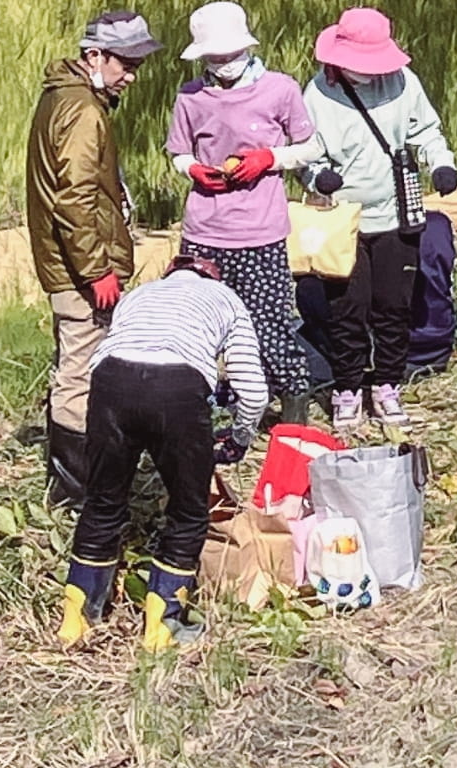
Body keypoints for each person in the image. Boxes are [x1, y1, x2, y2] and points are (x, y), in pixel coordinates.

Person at [59, 253, 266, 651]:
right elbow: (253, 392)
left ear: (170, 272)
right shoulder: (227, 300)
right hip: (177, 386)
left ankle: (77, 620)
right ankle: (162, 626)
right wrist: (238, 438)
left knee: (103, 502)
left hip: (110, 380)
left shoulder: (140, 294)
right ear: (213, 277)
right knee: (188, 510)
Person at [25, 10, 161, 509]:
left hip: (73, 264)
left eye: (137, 64)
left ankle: (79, 485)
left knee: (77, 366)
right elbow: (74, 196)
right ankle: (75, 495)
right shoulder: (82, 110)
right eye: (125, 63)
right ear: (93, 56)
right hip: (80, 271)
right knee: (79, 373)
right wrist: (96, 269)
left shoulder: (64, 98)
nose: (131, 74)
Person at [300, 7, 457, 433]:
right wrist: (319, 177)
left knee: (394, 305)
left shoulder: (404, 84)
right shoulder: (317, 95)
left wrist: (440, 164)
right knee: (347, 309)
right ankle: (348, 388)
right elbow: (303, 153)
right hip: (342, 221)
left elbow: (427, 131)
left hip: (396, 213)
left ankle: (387, 383)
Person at [167, 1, 324, 428]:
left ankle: (293, 412)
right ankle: (217, 409)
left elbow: (311, 147)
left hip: (260, 233)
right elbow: (178, 152)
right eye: (214, 58)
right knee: (202, 327)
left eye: (229, 55)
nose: (223, 64)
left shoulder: (280, 89)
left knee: (269, 325)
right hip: (204, 231)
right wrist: (194, 169)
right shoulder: (191, 97)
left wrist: (268, 158)